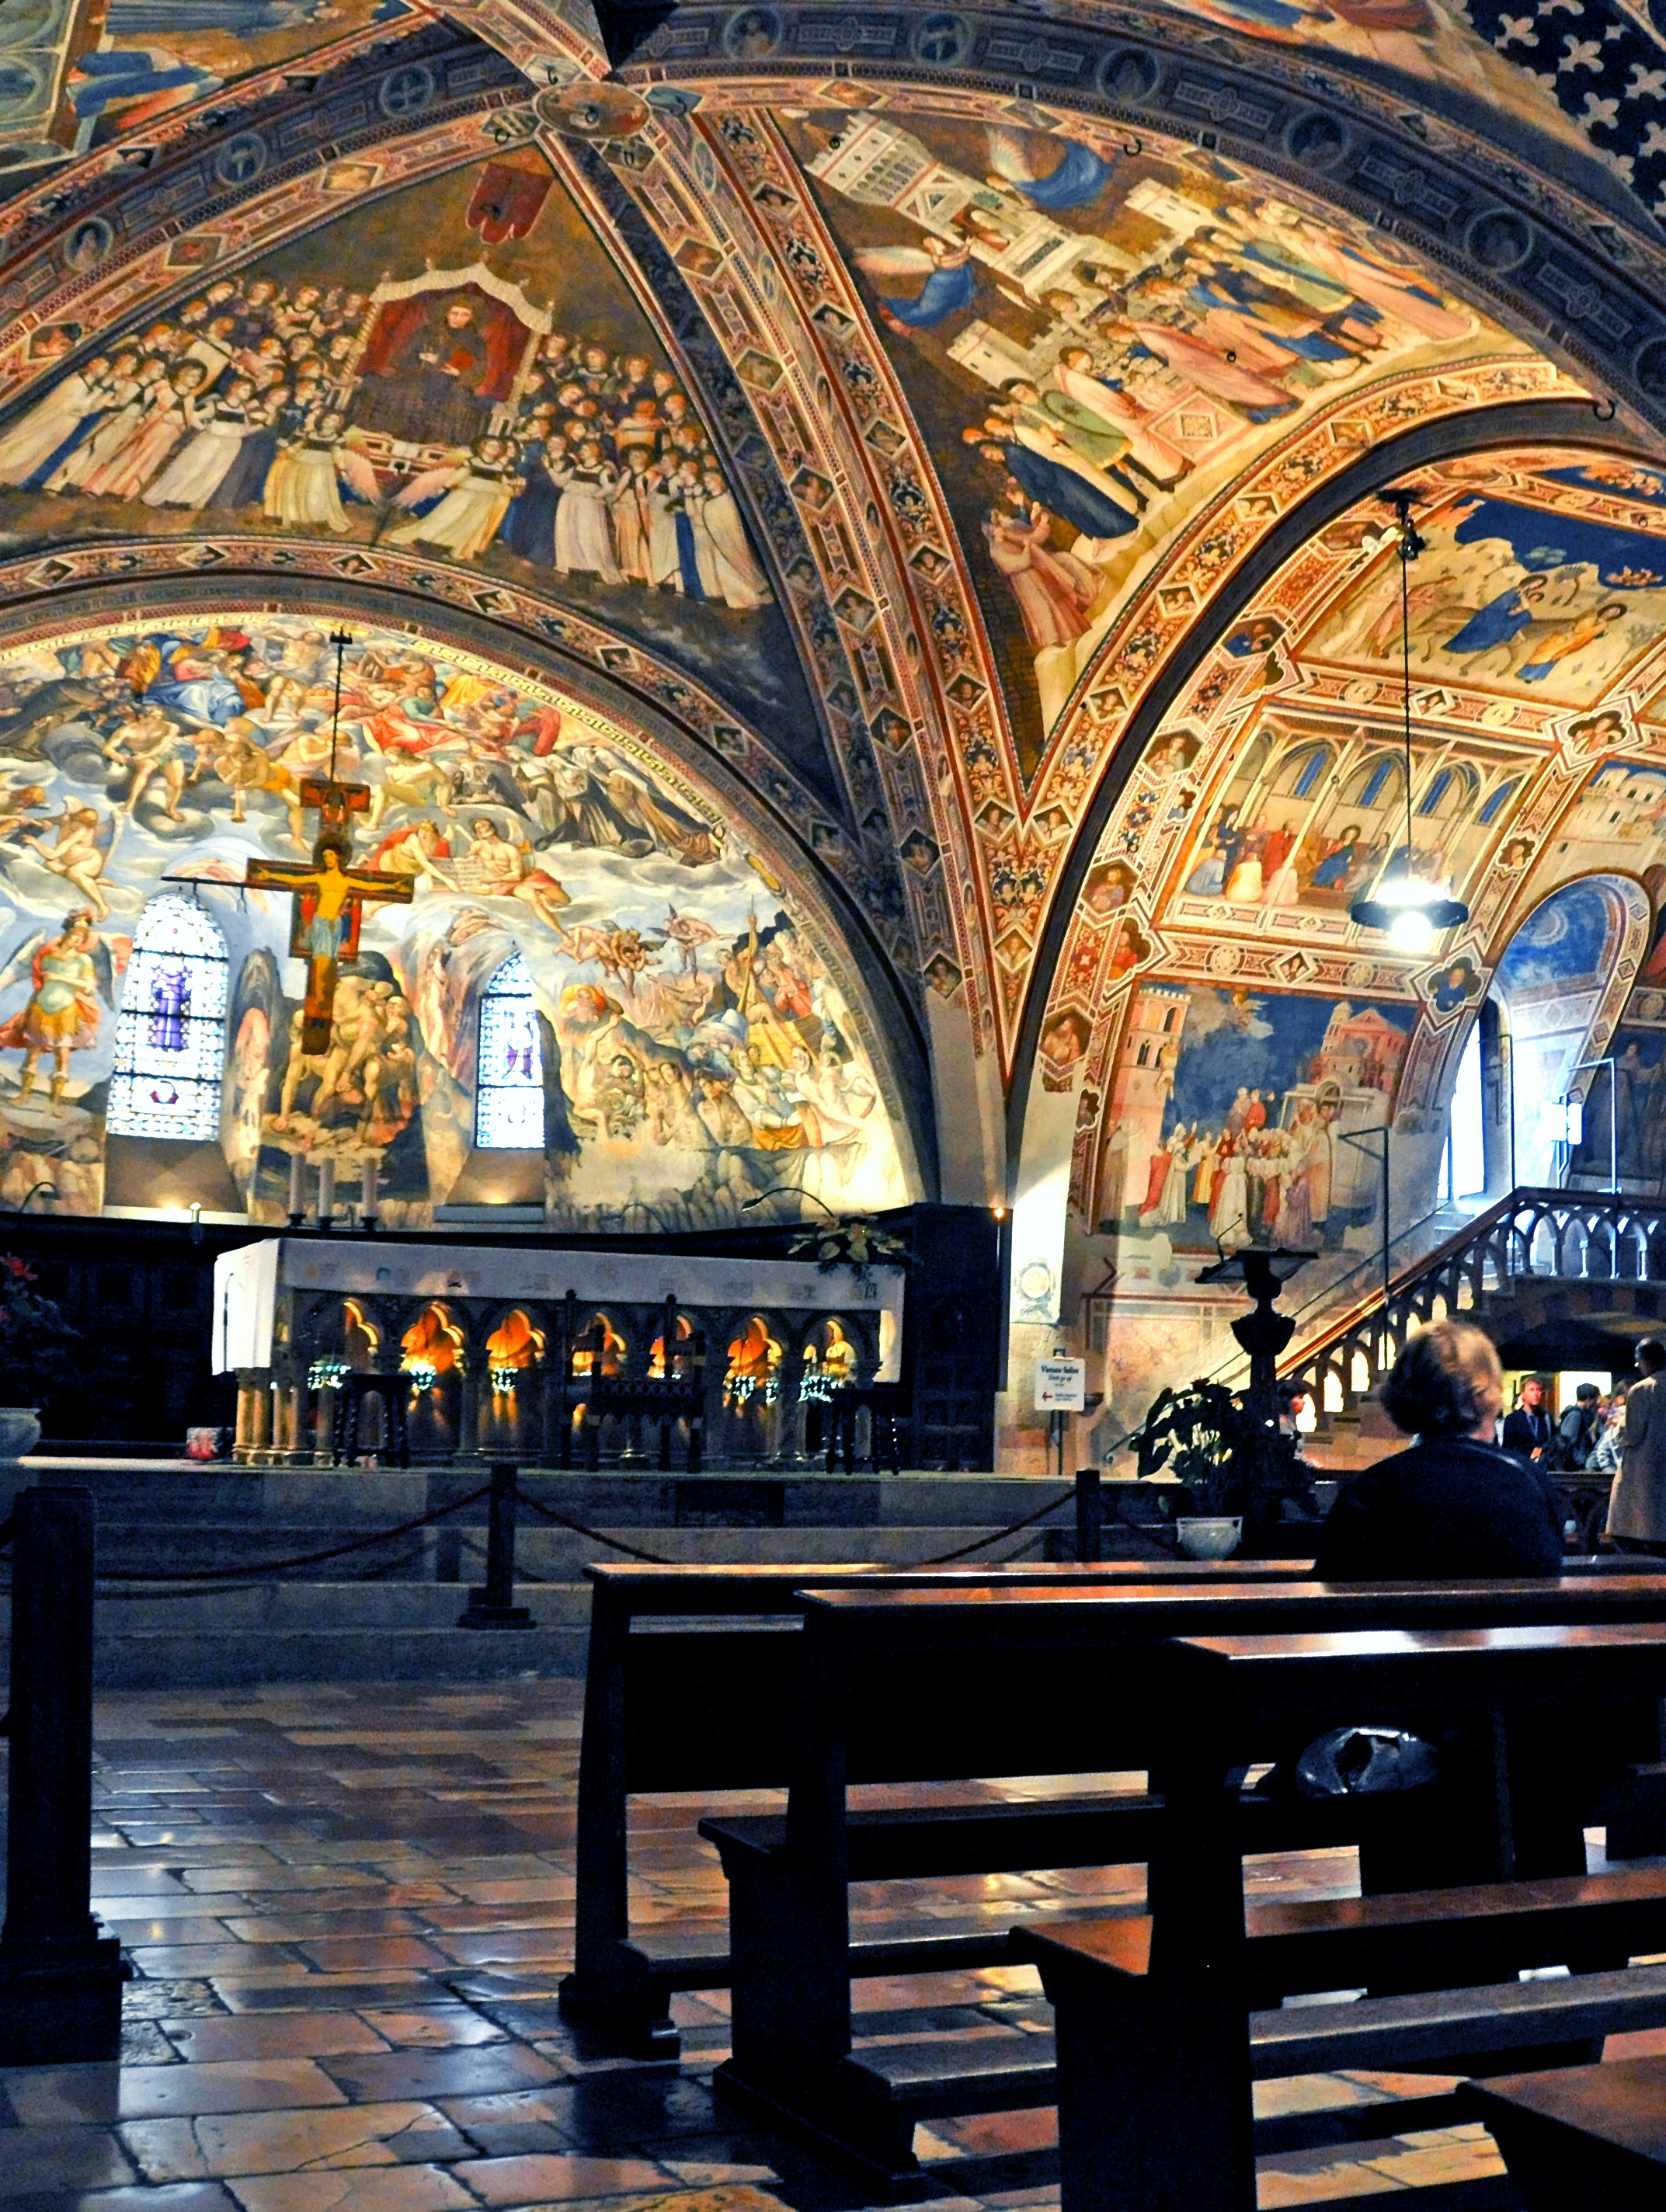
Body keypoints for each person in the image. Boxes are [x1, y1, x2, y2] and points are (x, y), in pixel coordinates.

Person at [1313, 1320, 1563, 1578]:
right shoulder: (1530, 1484)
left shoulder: (1368, 1492)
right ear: (1485, 1397)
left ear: (1402, 1393)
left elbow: (1329, 1585)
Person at [1609, 1340, 1666, 1556]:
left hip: (1644, 1473)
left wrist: (1618, 1426)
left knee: (1634, 1535)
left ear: (1644, 1361)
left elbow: (1631, 1434)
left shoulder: (1642, 1390)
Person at [1501, 1372, 1553, 1462]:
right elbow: (1508, 1449)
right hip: (1522, 1463)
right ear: (1523, 1394)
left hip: (1543, 1464)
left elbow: (1552, 1442)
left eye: (1538, 1390)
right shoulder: (1513, 1419)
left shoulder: (1546, 1417)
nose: (1536, 1393)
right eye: (1531, 1390)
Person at [1553, 1381, 1602, 1471]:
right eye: (1595, 1399)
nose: (1596, 1403)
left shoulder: (1583, 1414)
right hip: (1574, 1466)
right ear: (1588, 1399)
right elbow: (1568, 1442)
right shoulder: (1576, 1415)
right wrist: (1580, 1461)